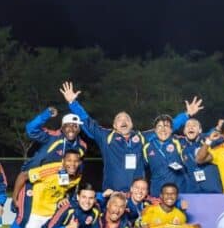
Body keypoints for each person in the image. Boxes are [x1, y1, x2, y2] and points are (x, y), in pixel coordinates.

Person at [0, 107, 87, 228]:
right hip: (32, 181)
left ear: (79, 128)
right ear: (62, 126)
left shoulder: (81, 146)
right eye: (67, 125)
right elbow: (31, 130)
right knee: (23, 218)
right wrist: (45, 115)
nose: (71, 129)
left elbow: (74, 171)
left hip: (53, 190)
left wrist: (67, 193)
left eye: (75, 126)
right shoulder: (53, 137)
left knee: (53, 225)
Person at [60, 81, 201, 192]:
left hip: (137, 194)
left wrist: (186, 115)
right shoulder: (106, 137)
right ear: (114, 125)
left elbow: (165, 128)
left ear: (132, 124)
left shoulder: (140, 137)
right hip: (113, 193)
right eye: (119, 119)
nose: (124, 121)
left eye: (127, 119)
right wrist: (73, 103)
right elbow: (87, 122)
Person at [143, 114, 190, 196]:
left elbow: (200, 138)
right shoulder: (147, 147)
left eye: (167, 126)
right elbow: (140, 170)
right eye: (159, 126)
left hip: (179, 193)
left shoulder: (179, 142)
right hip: (157, 194)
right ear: (154, 130)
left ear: (172, 130)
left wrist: (216, 130)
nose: (163, 129)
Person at [181, 118, 223, 194]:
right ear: (184, 131)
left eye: (194, 125)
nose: (191, 127)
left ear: (200, 130)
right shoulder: (180, 144)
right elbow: (163, 132)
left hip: (212, 191)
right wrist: (184, 115)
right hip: (193, 192)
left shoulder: (209, 139)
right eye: (188, 126)